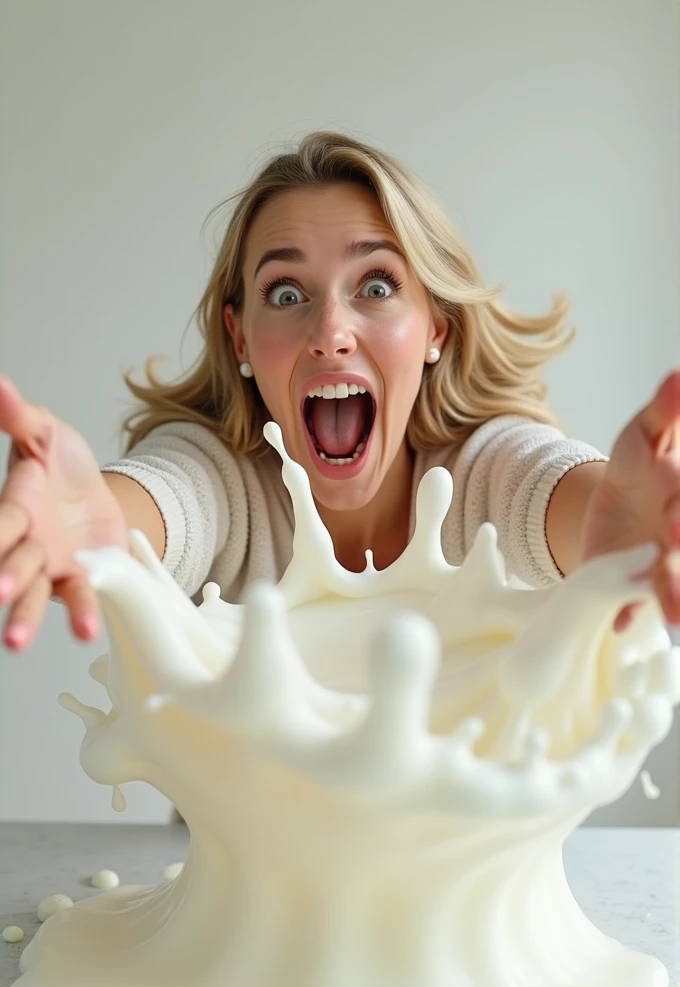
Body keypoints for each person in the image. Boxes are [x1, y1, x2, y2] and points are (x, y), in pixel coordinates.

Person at [0, 131, 679, 652]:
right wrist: (95, 523)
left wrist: (609, 530)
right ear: (239, 340)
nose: (330, 332)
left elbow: (554, 492)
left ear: (436, 328)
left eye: (377, 286)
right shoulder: (223, 479)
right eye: (286, 292)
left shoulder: (486, 476)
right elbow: (165, 502)